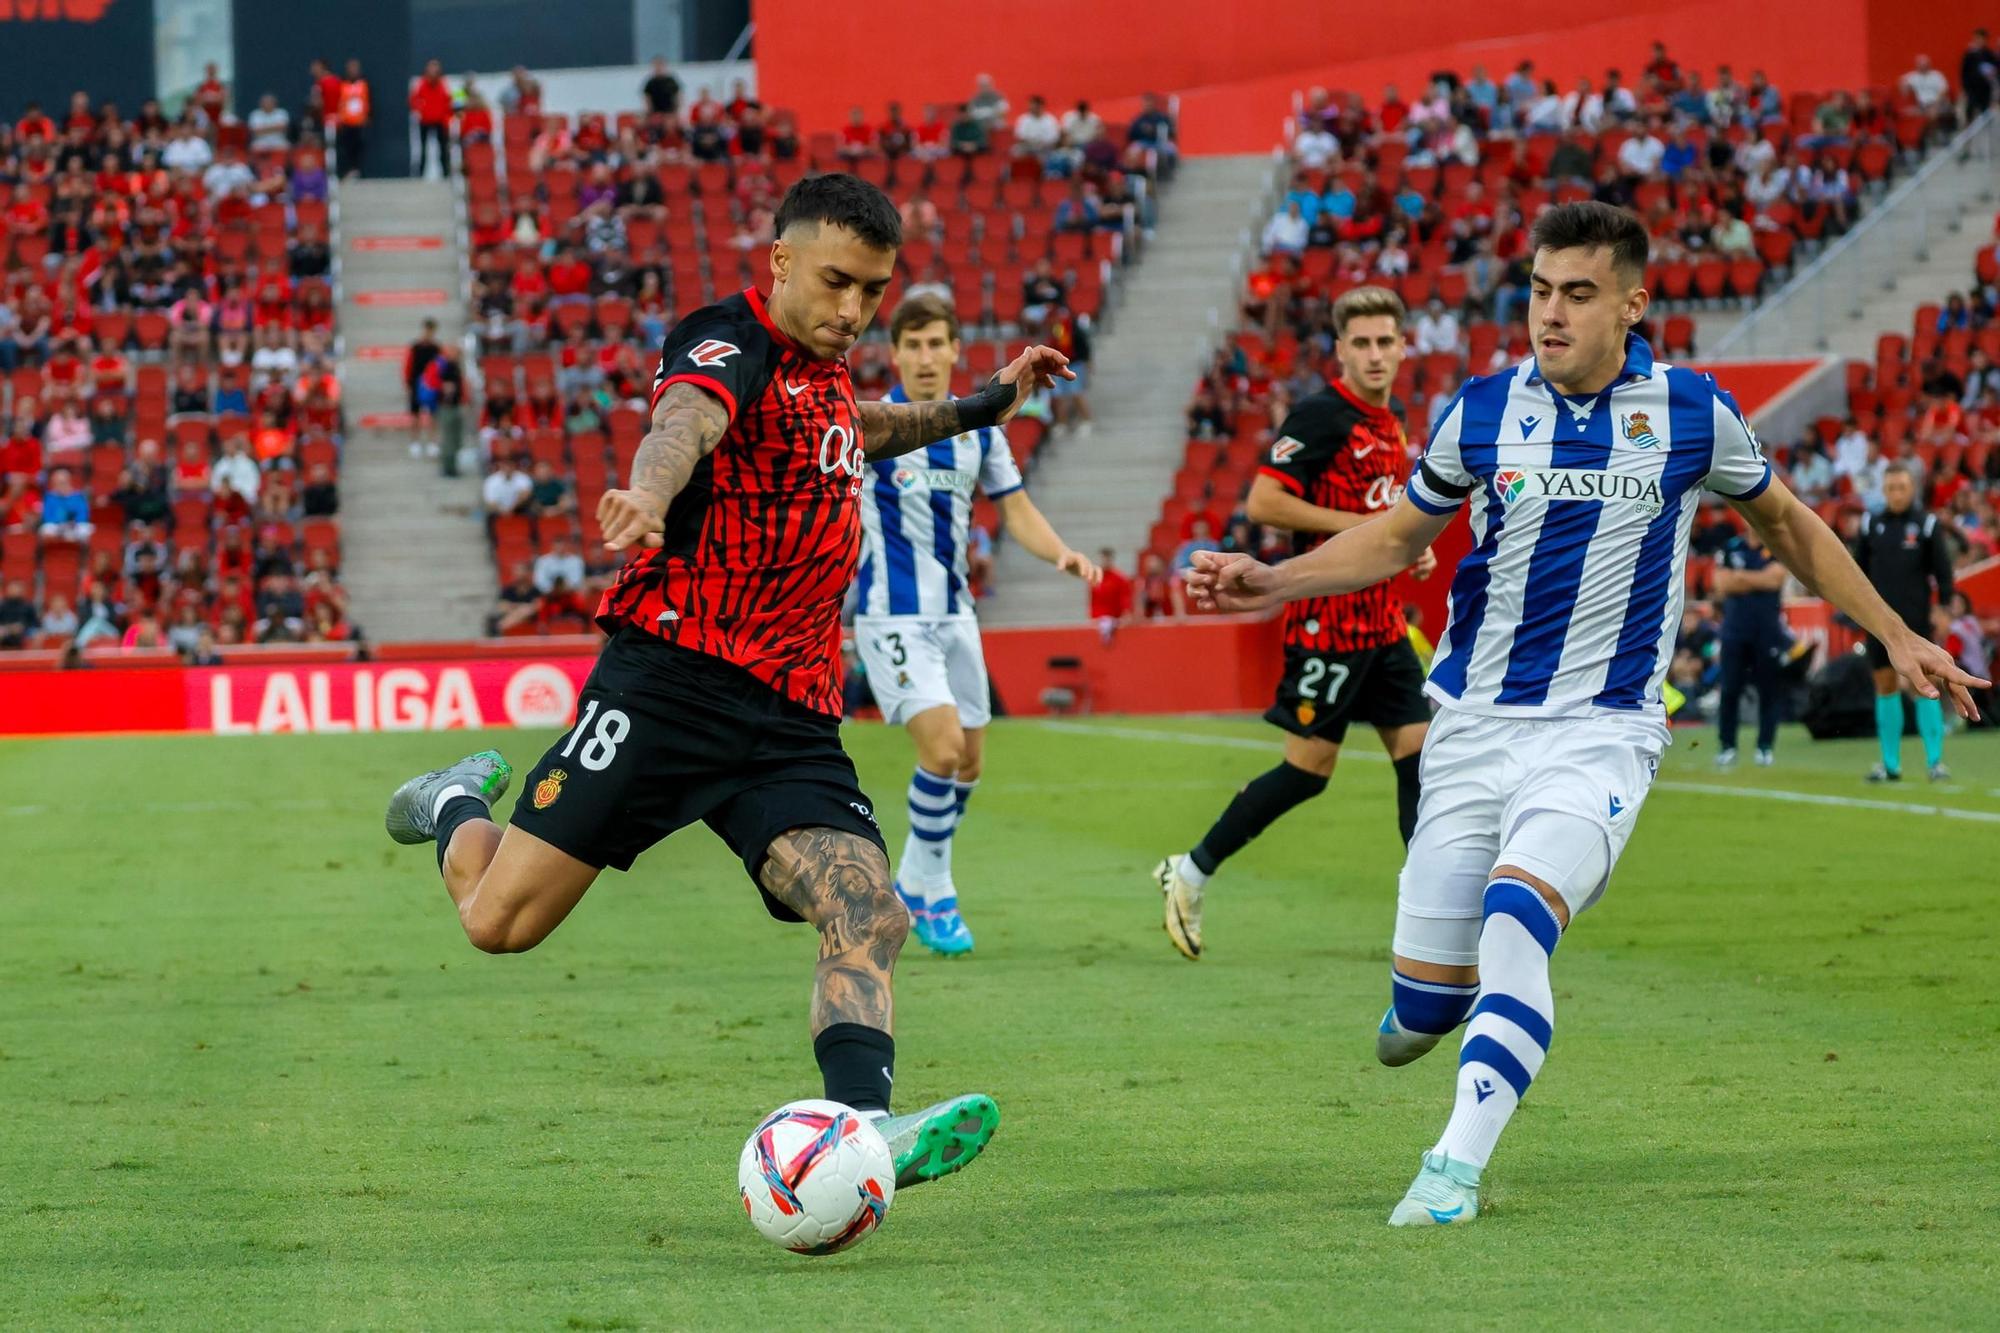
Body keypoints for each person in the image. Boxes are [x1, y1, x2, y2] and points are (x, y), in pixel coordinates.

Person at [1184, 201, 1985, 1227]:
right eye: (1536, 290)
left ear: (1630, 304)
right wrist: (1272, 579)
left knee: (1517, 918)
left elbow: (1785, 524)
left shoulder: (1691, 412)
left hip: (1600, 731)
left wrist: (1892, 632)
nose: (1547, 314)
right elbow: (1392, 539)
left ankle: (1450, 1168)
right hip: (1469, 728)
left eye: (1575, 293)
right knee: (1420, 1009)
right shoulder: (1478, 411)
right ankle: (1436, 1003)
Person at [381, 174, 1072, 1192]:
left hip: (787, 714)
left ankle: (859, 1139)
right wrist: (649, 494)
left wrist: (984, 403)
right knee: (497, 922)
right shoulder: (727, 340)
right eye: (836, 282)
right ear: (780, 259)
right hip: (667, 687)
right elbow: (683, 425)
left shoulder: (828, 371)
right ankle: (450, 802)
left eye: (873, 292)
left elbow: (862, 431)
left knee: (869, 910)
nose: (852, 311)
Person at [1154, 286, 1436, 961]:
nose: (1374, 354)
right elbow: (1265, 500)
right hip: (1328, 622)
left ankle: (1429, 915)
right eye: (1360, 343)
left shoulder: (1391, 414)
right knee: (1308, 772)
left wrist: (1405, 541)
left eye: (1384, 341)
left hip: (1383, 624)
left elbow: (1385, 510)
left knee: (1423, 764)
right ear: (1341, 350)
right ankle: (1189, 870)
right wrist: (1375, 531)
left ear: (1403, 347)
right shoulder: (1321, 414)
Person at [853, 292, 1101, 956]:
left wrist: (1061, 553)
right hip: (892, 615)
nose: (927, 356)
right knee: (942, 751)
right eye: (914, 345)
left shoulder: (978, 429)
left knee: (970, 766)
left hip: (957, 615)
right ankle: (935, 895)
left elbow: (1014, 509)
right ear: (895, 353)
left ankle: (911, 883)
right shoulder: (872, 426)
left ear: (957, 350)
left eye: (938, 343)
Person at [1852, 463, 1958, 782]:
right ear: (1883, 491)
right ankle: (1890, 764)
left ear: (1911, 489)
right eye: (1890, 488)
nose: (1896, 493)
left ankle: (1935, 762)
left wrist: (1942, 612)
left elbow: (1943, 573)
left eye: (1901, 487)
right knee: (1885, 685)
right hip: (1878, 623)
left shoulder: (1925, 524)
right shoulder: (1871, 523)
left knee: (1923, 685)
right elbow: (1857, 573)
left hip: (1915, 624)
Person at [1711, 526, 1789, 767]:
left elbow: (1776, 579)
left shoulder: (1775, 545)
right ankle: (1728, 746)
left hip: (1767, 632)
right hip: (1734, 632)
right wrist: (1759, 579)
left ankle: (1764, 747)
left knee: (1769, 692)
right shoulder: (1731, 547)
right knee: (1730, 690)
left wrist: (1741, 577)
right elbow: (1721, 584)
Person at [410, 59, 454, 177]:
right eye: (431, 68)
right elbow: (413, 100)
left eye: (435, 68)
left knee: (443, 149)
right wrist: (419, 111)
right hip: (425, 121)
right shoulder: (422, 83)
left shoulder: (443, 83)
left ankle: (445, 173)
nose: (433, 71)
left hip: (440, 121)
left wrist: (448, 117)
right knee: (423, 149)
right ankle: (420, 174)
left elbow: (449, 101)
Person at [335, 59, 372, 178]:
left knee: (359, 147)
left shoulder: (364, 84)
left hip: (360, 121)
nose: (353, 71)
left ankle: (357, 170)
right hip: (346, 121)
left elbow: (369, 101)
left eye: (355, 68)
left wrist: (368, 116)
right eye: (351, 68)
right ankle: (348, 170)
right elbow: (339, 101)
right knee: (346, 147)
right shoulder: (342, 84)